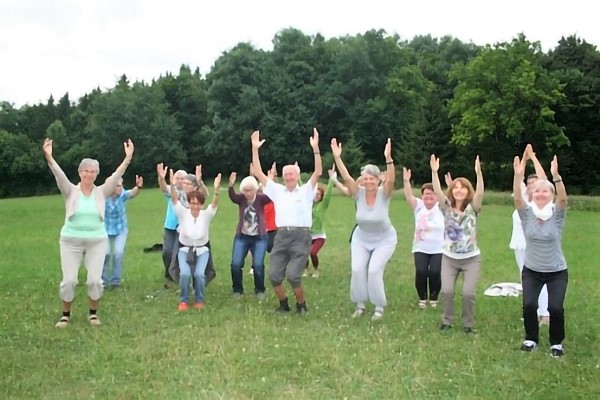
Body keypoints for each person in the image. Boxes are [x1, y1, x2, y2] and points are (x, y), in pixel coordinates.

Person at [43, 138, 134, 328]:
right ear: (80, 172)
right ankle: (65, 315)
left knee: (94, 280)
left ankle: (93, 314)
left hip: (96, 242)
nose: (89, 174)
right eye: (86, 171)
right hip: (70, 241)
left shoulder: (102, 192)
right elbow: (59, 176)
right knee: (69, 281)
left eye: (92, 172)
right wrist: (50, 157)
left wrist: (127, 158)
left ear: (97, 174)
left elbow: (116, 175)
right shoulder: (70, 191)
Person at [251, 128, 322, 315]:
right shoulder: (276, 190)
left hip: (301, 236)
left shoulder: (306, 190)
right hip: (281, 236)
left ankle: (301, 305)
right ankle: (283, 304)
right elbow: (258, 172)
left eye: (292, 174)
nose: (289, 176)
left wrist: (315, 148)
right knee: (274, 276)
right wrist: (255, 148)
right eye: (286, 174)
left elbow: (318, 171)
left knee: (293, 276)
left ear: (297, 176)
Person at [331, 137, 397, 321]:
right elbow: (346, 178)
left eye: (372, 179)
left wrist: (388, 158)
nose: (368, 182)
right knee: (358, 270)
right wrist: (338, 157)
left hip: (384, 239)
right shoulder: (357, 193)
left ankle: (378, 307)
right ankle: (360, 305)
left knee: (374, 270)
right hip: (361, 238)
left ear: (378, 180)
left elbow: (391, 180)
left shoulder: (385, 194)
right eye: (366, 178)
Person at [513, 151, 568, 357]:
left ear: (551, 195)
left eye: (545, 191)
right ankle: (531, 338)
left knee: (555, 308)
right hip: (532, 270)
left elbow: (563, 198)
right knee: (529, 305)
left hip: (556, 271)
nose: (541, 194)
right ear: (532, 194)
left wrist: (556, 176)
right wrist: (518, 176)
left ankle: (556, 343)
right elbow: (518, 197)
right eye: (537, 191)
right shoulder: (526, 213)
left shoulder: (557, 213)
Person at [430, 154, 484, 334]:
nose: (459, 191)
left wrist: (478, 173)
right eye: (456, 188)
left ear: (468, 191)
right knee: (446, 291)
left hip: (471, 259)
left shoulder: (473, 207)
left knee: (468, 293)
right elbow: (438, 191)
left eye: (463, 188)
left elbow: (481, 193)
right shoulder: (446, 206)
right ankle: (447, 320)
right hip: (449, 258)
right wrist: (434, 172)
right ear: (452, 190)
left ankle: (468, 324)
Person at [509, 145, 550, 325]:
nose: (532, 186)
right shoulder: (523, 199)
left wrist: (533, 158)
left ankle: (545, 314)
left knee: (541, 279)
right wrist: (523, 162)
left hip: (537, 246)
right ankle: (531, 312)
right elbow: (518, 181)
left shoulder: (542, 203)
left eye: (536, 185)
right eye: (530, 184)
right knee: (525, 279)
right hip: (520, 245)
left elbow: (544, 179)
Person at [170, 169, 221, 311]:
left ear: (201, 204)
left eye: (197, 203)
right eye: (192, 203)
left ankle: (199, 299)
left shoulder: (206, 215)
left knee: (199, 274)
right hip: (184, 250)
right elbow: (174, 200)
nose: (194, 206)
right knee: (185, 274)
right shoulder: (183, 213)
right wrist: (171, 184)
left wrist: (217, 190)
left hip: (202, 250)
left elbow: (214, 205)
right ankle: (184, 300)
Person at [402, 167, 444, 309]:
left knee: (435, 272)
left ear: (437, 196)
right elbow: (408, 197)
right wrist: (406, 181)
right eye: (426, 194)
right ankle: (422, 298)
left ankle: (433, 298)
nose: (429, 196)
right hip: (420, 247)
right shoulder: (419, 206)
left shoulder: (441, 208)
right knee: (421, 271)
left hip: (438, 247)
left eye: (432, 194)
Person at [228, 172, 272, 300]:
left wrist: (269, 181)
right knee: (236, 264)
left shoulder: (261, 199)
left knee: (258, 265)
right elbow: (232, 196)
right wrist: (231, 185)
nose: (248, 193)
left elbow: (270, 196)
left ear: (255, 189)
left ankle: (260, 290)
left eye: (250, 190)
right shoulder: (241, 199)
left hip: (259, 238)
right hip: (242, 237)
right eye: (245, 191)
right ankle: (237, 289)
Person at [102, 175, 143, 289]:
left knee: (118, 253)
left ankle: (116, 282)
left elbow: (132, 193)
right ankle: (103, 282)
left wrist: (138, 187)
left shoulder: (122, 195)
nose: (120, 188)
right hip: (105, 228)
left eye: (121, 185)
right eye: (117, 186)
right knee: (105, 254)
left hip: (121, 228)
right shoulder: (103, 197)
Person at [157, 163, 187, 286]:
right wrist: (161, 178)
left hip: (184, 227)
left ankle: (176, 275)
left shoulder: (189, 191)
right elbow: (164, 188)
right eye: (177, 178)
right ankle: (168, 272)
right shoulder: (171, 190)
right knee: (167, 252)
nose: (179, 181)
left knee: (177, 252)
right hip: (170, 226)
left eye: (182, 178)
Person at [304, 165, 335, 278]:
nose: (316, 196)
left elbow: (328, 194)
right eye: (315, 194)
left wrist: (332, 179)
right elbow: (304, 189)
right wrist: (298, 177)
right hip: (307, 234)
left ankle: (316, 270)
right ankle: (306, 270)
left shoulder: (323, 205)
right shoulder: (308, 203)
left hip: (319, 236)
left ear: (321, 196)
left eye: (318, 194)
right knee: (304, 253)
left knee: (312, 252)